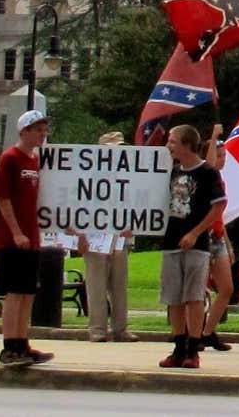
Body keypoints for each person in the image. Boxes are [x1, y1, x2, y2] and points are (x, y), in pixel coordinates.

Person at [159, 124, 227, 369]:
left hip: (196, 244)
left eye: (173, 141)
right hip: (171, 240)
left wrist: (196, 232)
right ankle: (178, 346)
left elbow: (218, 206)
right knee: (174, 298)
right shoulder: (172, 171)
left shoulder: (207, 173)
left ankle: (193, 347)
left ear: (187, 144)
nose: (169, 146)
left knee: (194, 296)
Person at [0, 110, 55, 367]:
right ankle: (8, 347)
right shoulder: (10, 159)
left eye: (43, 129)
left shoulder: (33, 161)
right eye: (37, 129)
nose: (42, 134)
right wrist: (16, 232)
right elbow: (3, 198)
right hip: (11, 238)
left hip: (31, 236)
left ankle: (22, 343)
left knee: (28, 293)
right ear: (24, 131)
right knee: (14, 293)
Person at [80, 131, 137, 344]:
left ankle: (121, 329)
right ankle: (97, 329)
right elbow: (79, 210)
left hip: (120, 236)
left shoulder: (128, 178)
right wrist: (81, 236)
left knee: (119, 284)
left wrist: (133, 227)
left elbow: (135, 206)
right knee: (96, 284)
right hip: (95, 236)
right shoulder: (89, 179)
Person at [198, 134, 235, 353]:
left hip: (218, 236)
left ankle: (207, 331)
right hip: (205, 235)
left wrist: (228, 245)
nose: (222, 159)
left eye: (224, 155)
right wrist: (213, 137)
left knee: (226, 288)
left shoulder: (219, 179)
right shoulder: (207, 175)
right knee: (200, 289)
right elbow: (210, 164)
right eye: (219, 155)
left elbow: (222, 215)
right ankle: (194, 330)